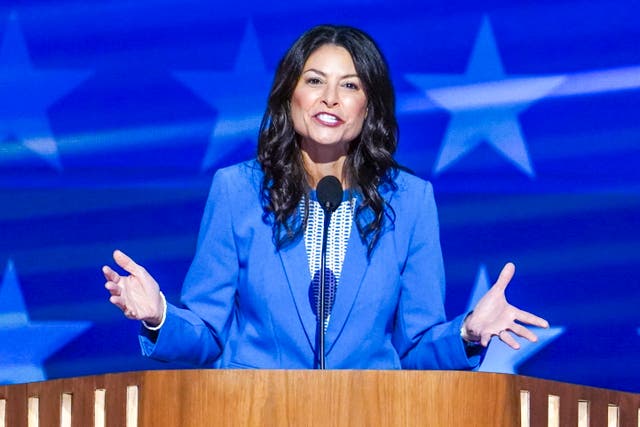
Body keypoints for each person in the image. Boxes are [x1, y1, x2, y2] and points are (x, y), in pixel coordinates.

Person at [103, 25, 548, 369]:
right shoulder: (237, 190)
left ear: (369, 107)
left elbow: (414, 350)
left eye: (350, 86)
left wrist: (468, 333)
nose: (330, 99)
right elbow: (208, 336)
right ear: (289, 94)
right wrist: (158, 314)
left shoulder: (410, 201)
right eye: (315, 81)